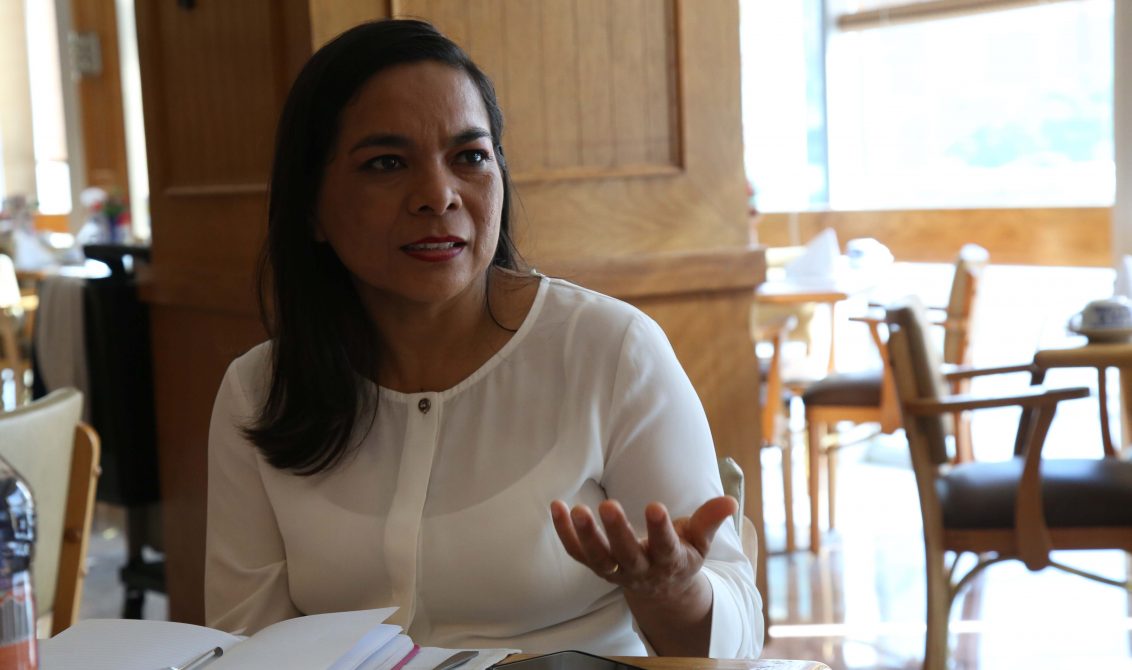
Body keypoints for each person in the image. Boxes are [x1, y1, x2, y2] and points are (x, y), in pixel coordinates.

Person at [205, 18, 763, 658]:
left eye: (469, 157)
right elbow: (243, 642)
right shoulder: (258, 390)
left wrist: (669, 591)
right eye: (386, 164)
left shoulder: (609, 351)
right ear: (311, 208)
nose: (438, 196)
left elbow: (738, 641)